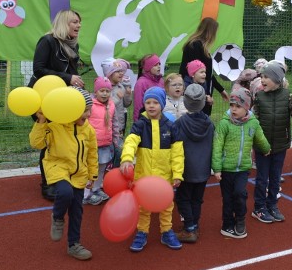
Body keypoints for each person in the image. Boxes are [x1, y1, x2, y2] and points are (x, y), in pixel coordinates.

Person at [29, 87, 97, 261]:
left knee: (77, 211)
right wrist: (41, 122)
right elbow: (36, 143)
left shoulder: (88, 130)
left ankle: (74, 245)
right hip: (57, 167)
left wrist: (93, 175)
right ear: (70, 109)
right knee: (65, 193)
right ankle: (58, 217)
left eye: (89, 110)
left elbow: (92, 153)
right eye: (84, 111)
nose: (88, 114)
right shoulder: (54, 127)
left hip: (79, 173)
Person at [28, 9, 84, 200]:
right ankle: (47, 183)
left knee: (62, 137)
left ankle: (61, 175)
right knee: (49, 139)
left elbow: (71, 72)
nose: (78, 25)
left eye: (79, 22)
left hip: (63, 98)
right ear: (64, 23)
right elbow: (39, 69)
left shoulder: (72, 45)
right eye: (74, 22)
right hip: (44, 97)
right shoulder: (48, 41)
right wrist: (68, 77)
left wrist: (75, 82)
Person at [120, 87, 184, 252]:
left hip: (165, 176)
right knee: (143, 206)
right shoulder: (140, 125)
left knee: (166, 205)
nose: (151, 106)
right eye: (148, 102)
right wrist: (127, 158)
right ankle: (142, 232)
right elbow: (130, 142)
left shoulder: (171, 127)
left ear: (162, 104)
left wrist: (177, 174)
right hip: (144, 176)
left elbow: (178, 153)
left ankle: (166, 231)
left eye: (155, 102)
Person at [213, 87, 270, 239]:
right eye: (231, 105)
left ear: (246, 108)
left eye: (238, 106)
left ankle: (240, 219)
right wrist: (217, 168)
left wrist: (266, 149)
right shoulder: (224, 124)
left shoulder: (253, 123)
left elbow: (260, 138)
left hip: (243, 168)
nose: (233, 109)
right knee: (227, 197)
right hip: (226, 169)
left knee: (239, 193)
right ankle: (227, 223)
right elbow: (217, 145)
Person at [251, 61, 292, 223]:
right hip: (263, 147)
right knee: (262, 178)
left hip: (281, 144)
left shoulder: (287, 96)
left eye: (266, 77)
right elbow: (255, 122)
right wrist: (262, 144)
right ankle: (259, 208)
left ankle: (272, 205)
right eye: (262, 76)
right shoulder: (259, 97)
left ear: (277, 79)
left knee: (275, 178)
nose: (262, 80)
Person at [174, 84, 215, 243]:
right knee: (197, 199)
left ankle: (189, 228)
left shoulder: (179, 123)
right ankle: (194, 225)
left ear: (185, 101)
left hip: (186, 170)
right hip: (203, 170)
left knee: (183, 198)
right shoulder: (209, 124)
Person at [178, 17, 230, 116]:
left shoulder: (202, 47)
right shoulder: (195, 46)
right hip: (197, 93)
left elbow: (208, 74)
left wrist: (221, 89)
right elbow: (197, 73)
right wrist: (205, 96)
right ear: (210, 31)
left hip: (204, 92)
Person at [83, 77, 115, 206]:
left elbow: (114, 122)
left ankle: (96, 189)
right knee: (90, 169)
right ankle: (85, 195)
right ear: (95, 92)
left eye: (107, 91)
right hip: (92, 144)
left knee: (101, 168)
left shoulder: (111, 105)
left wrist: (115, 138)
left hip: (105, 143)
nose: (104, 94)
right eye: (101, 90)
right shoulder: (90, 105)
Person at [102, 58, 133, 140]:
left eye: (121, 71)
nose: (121, 73)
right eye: (117, 71)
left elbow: (126, 104)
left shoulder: (121, 86)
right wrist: (117, 98)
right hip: (108, 125)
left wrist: (128, 94)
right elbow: (105, 105)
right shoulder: (105, 88)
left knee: (119, 147)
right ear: (109, 73)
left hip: (120, 124)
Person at [133, 54, 163, 122]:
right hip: (147, 119)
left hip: (160, 118)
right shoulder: (141, 83)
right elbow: (138, 105)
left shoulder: (161, 81)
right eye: (155, 65)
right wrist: (138, 122)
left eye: (159, 64)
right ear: (148, 67)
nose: (159, 67)